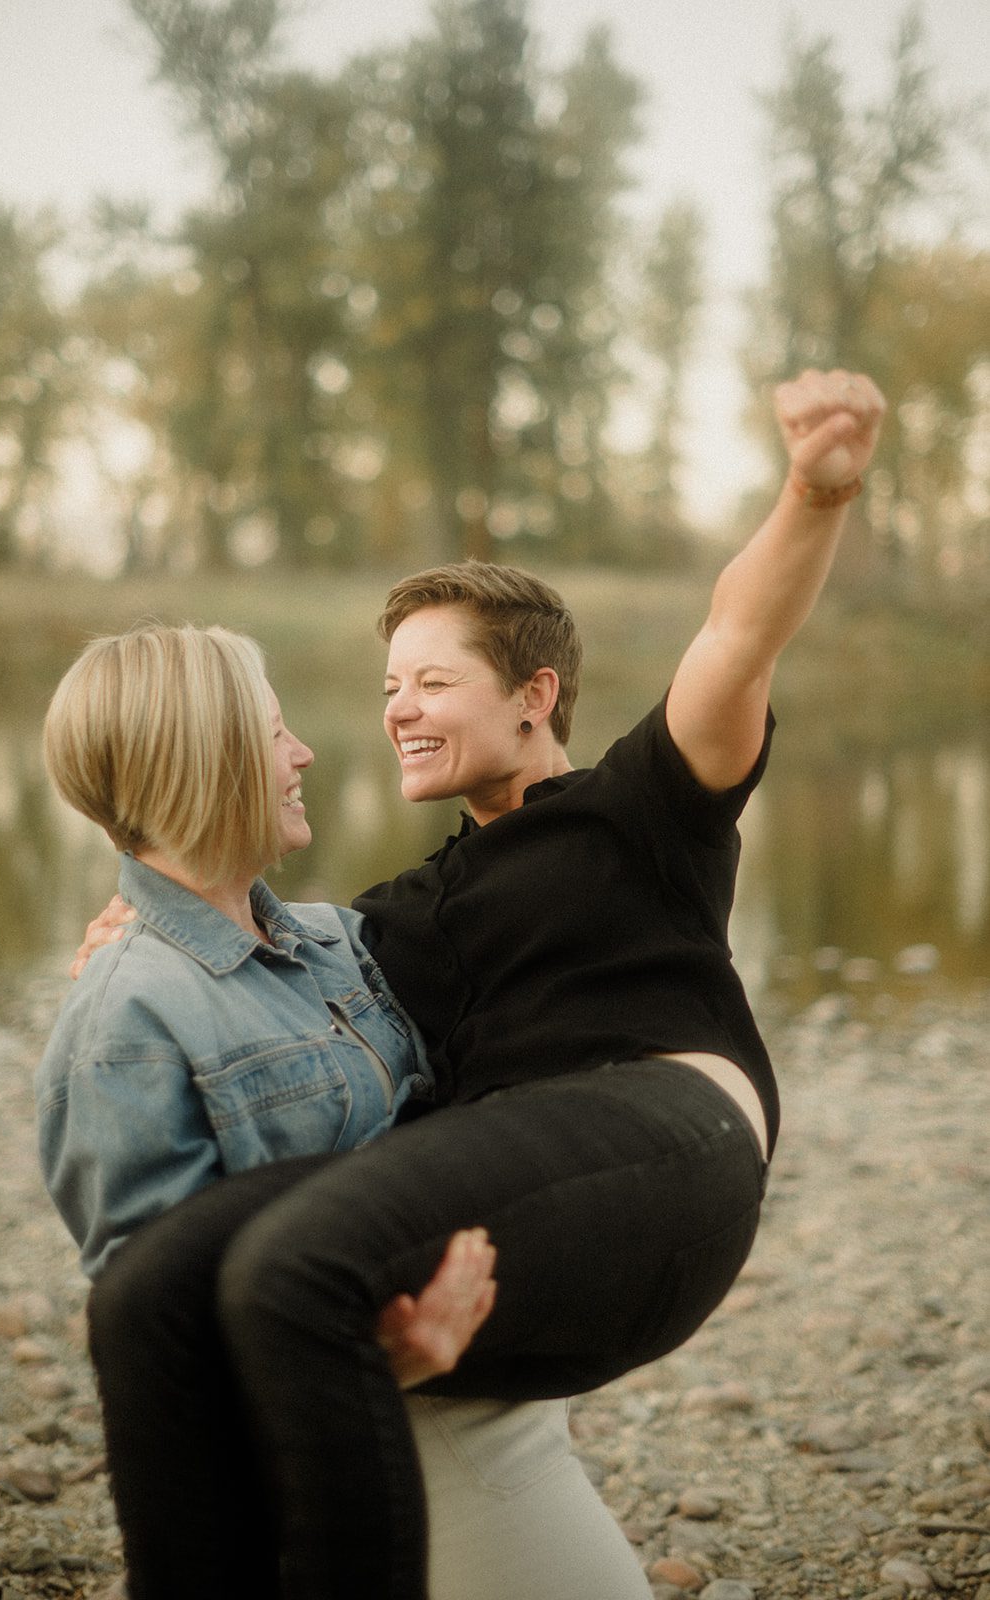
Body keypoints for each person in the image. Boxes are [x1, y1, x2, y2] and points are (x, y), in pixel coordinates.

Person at [76, 368, 886, 1599]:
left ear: (532, 696)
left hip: (670, 1139)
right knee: (148, 1294)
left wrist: (811, 494)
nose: (399, 708)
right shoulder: (394, 913)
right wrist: (140, 921)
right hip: (522, 1198)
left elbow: (735, 636)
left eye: (433, 681)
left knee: (295, 1264)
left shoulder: (636, 810)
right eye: (389, 684)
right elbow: (247, 935)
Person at [37, 624, 654, 1600]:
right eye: (276, 733)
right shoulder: (127, 1019)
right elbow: (163, 1338)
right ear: (202, 761)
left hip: (492, 1378)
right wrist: (380, 1359)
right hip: (384, 1414)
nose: (304, 754)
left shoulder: (339, 943)